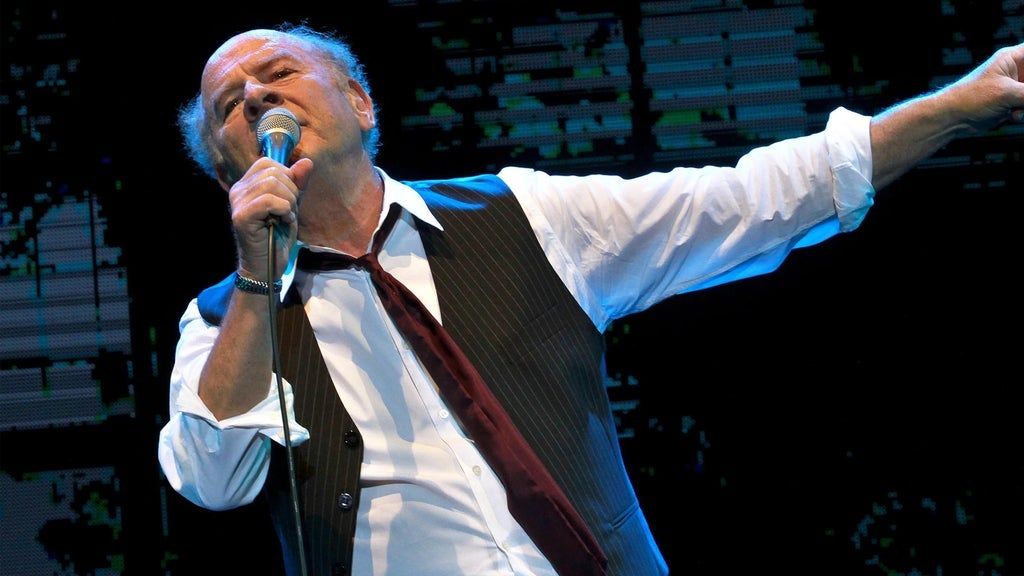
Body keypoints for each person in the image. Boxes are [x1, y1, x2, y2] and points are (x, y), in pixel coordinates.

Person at [157, 21, 1024, 576]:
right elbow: (213, 482)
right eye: (230, 105)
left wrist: (955, 107)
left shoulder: (523, 214)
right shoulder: (220, 322)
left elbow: (747, 200)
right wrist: (259, 279)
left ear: (359, 102)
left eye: (278, 73)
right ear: (228, 173)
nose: (257, 97)